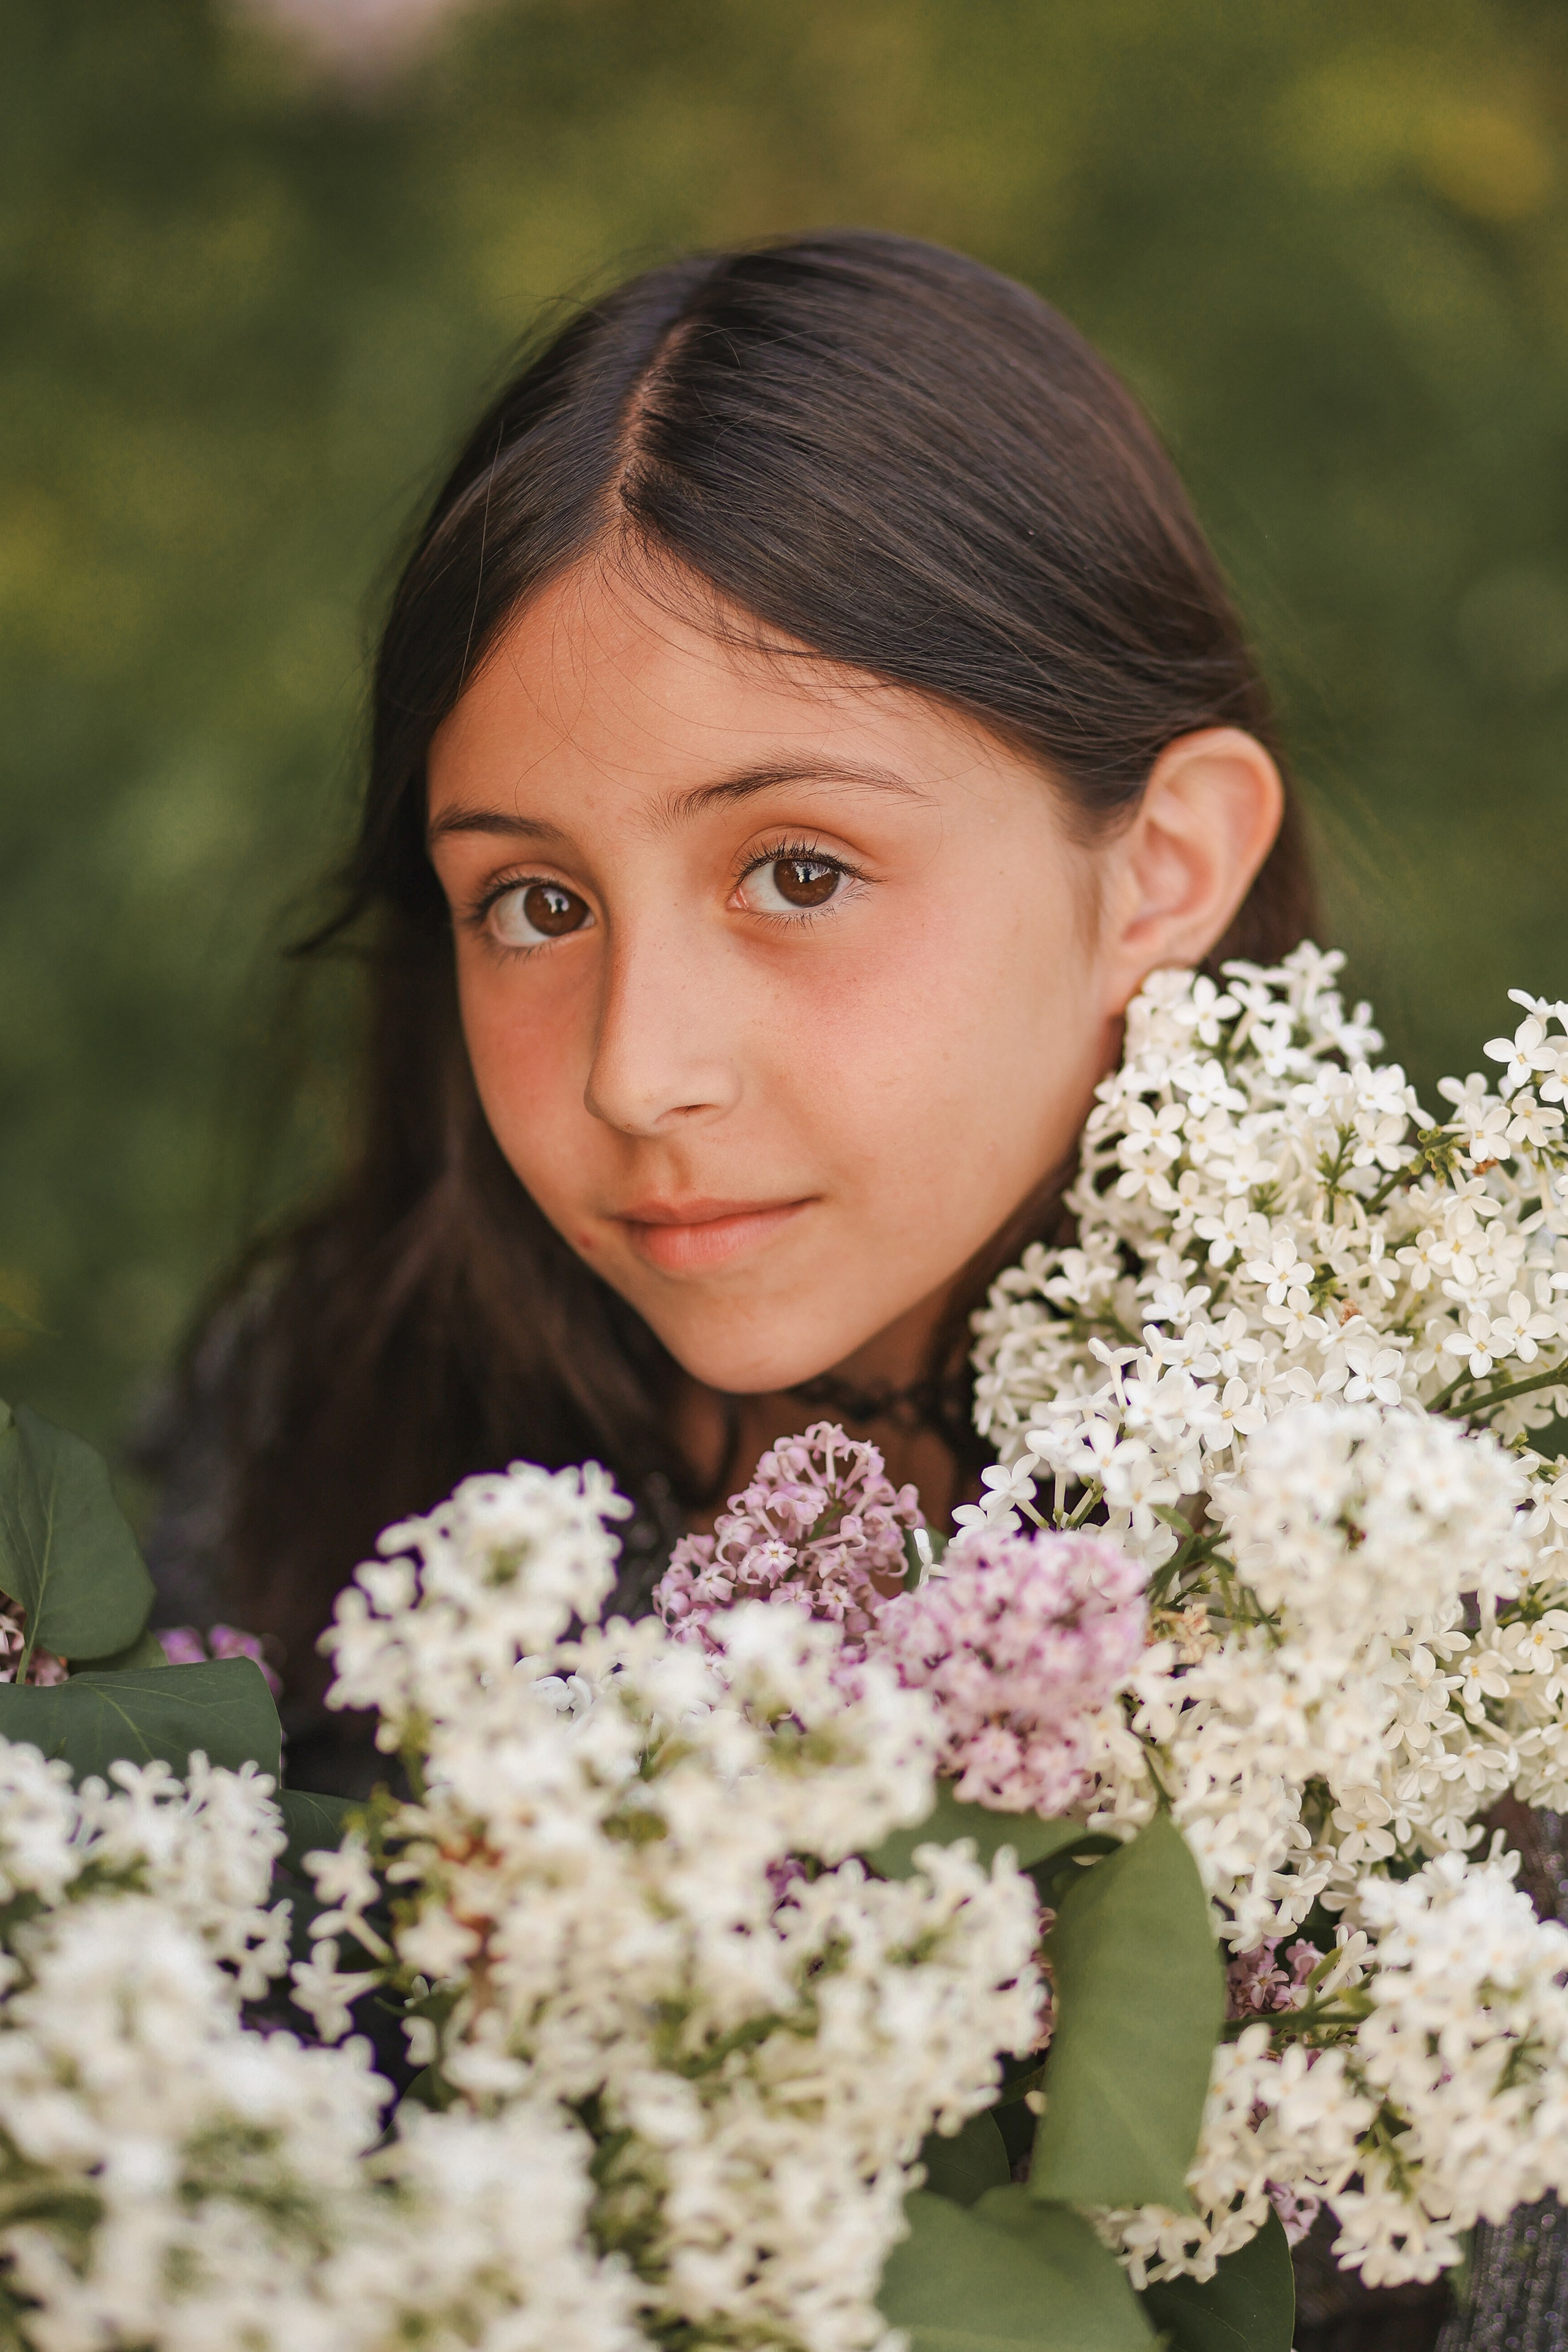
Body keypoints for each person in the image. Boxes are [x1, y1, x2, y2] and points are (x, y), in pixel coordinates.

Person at [141, 228, 1471, 2346]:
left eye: (796, 871)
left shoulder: (1447, 1636)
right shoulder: (318, 1433)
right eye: (534, 902)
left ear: (1162, 866)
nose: (636, 1072)